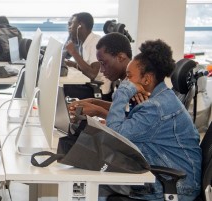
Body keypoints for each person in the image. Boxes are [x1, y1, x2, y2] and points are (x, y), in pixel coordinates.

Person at [101, 39, 201, 200]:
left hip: (176, 189)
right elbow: (132, 129)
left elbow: (115, 137)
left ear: (146, 80)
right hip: (173, 180)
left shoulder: (156, 108)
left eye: (129, 77)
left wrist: (122, 93)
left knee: (97, 186)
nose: (126, 82)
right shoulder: (161, 98)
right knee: (99, 183)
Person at [69, 32, 133, 119]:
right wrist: (93, 102)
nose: (102, 70)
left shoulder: (138, 84)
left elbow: (132, 127)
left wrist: (98, 111)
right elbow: (125, 108)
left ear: (120, 57)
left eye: (103, 63)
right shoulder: (125, 80)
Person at [63, 12, 112, 100]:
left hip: (97, 90)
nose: (69, 27)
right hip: (91, 85)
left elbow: (92, 74)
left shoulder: (95, 42)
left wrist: (74, 52)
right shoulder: (85, 42)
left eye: (72, 24)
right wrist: (74, 65)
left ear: (80, 25)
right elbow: (87, 67)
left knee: (63, 88)